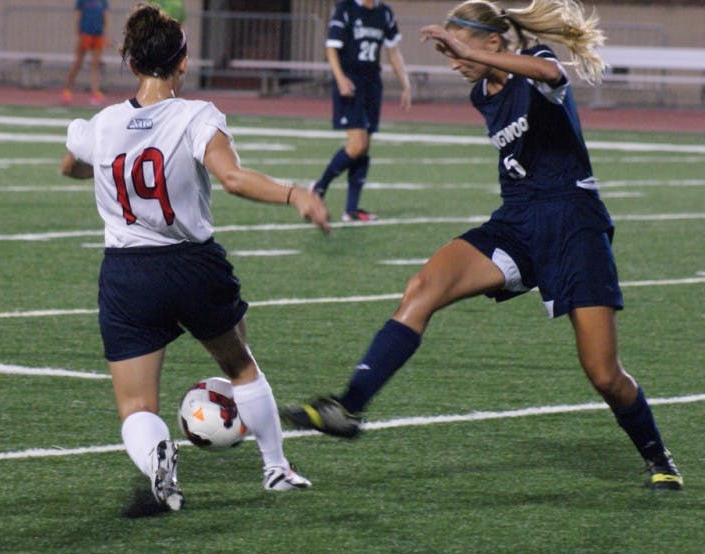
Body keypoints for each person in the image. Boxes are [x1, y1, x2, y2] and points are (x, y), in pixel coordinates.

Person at [282, 0, 684, 492]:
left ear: (494, 43)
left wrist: (485, 54)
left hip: (571, 223)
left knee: (603, 373)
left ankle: (658, 456)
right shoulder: (482, 92)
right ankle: (349, 406)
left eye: (459, 48)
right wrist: (470, 54)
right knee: (421, 288)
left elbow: (550, 72)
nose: (453, 61)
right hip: (516, 222)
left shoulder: (534, 64)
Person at [61, 3, 330, 511]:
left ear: (132, 64)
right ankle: (276, 468)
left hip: (127, 274)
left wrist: (103, 167)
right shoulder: (195, 115)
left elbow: (70, 166)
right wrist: (295, 194)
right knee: (240, 365)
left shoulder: (102, 123)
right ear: (181, 63)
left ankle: (159, 455)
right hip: (191, 264)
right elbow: (232, 178)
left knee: (136, 406)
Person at [311, 0, 412, 223]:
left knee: (364, 147)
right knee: (357, 144)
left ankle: (351, 209)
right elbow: (331, 48)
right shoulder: (345, 8)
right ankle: (318, 188)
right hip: (350, 82)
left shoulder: (384, 12)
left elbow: (393, 52)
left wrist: (405, 84)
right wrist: (340, 80)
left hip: (372, 84)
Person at [61, 0, 109, 106]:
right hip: (85, 34)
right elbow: (78, 17)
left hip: (98, 34)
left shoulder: (103, 1)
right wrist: (78, 35)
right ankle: (67, 90)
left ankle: (95, 93)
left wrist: (106, 34)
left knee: (95, 64)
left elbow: (105, 17)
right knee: (78, 63)